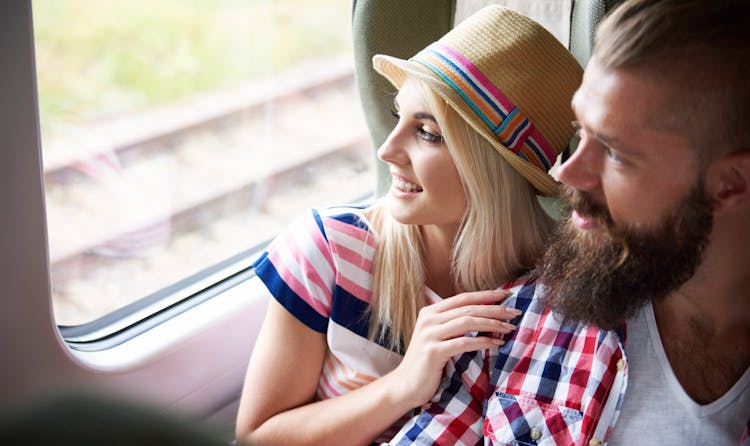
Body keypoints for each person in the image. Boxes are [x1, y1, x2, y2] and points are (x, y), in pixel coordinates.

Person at [386, 0, 750, 444]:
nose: (566, 174)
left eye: (615, 153)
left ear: (731, 183)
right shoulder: (511, 326)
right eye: (580, 134)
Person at [234, 6, 583, 445]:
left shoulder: (556, 295)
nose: (387, 150)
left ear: (491, 168)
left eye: (428, 133)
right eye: (400, 117)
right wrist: (401, 388)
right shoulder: (331, 251)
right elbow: (256, 437)